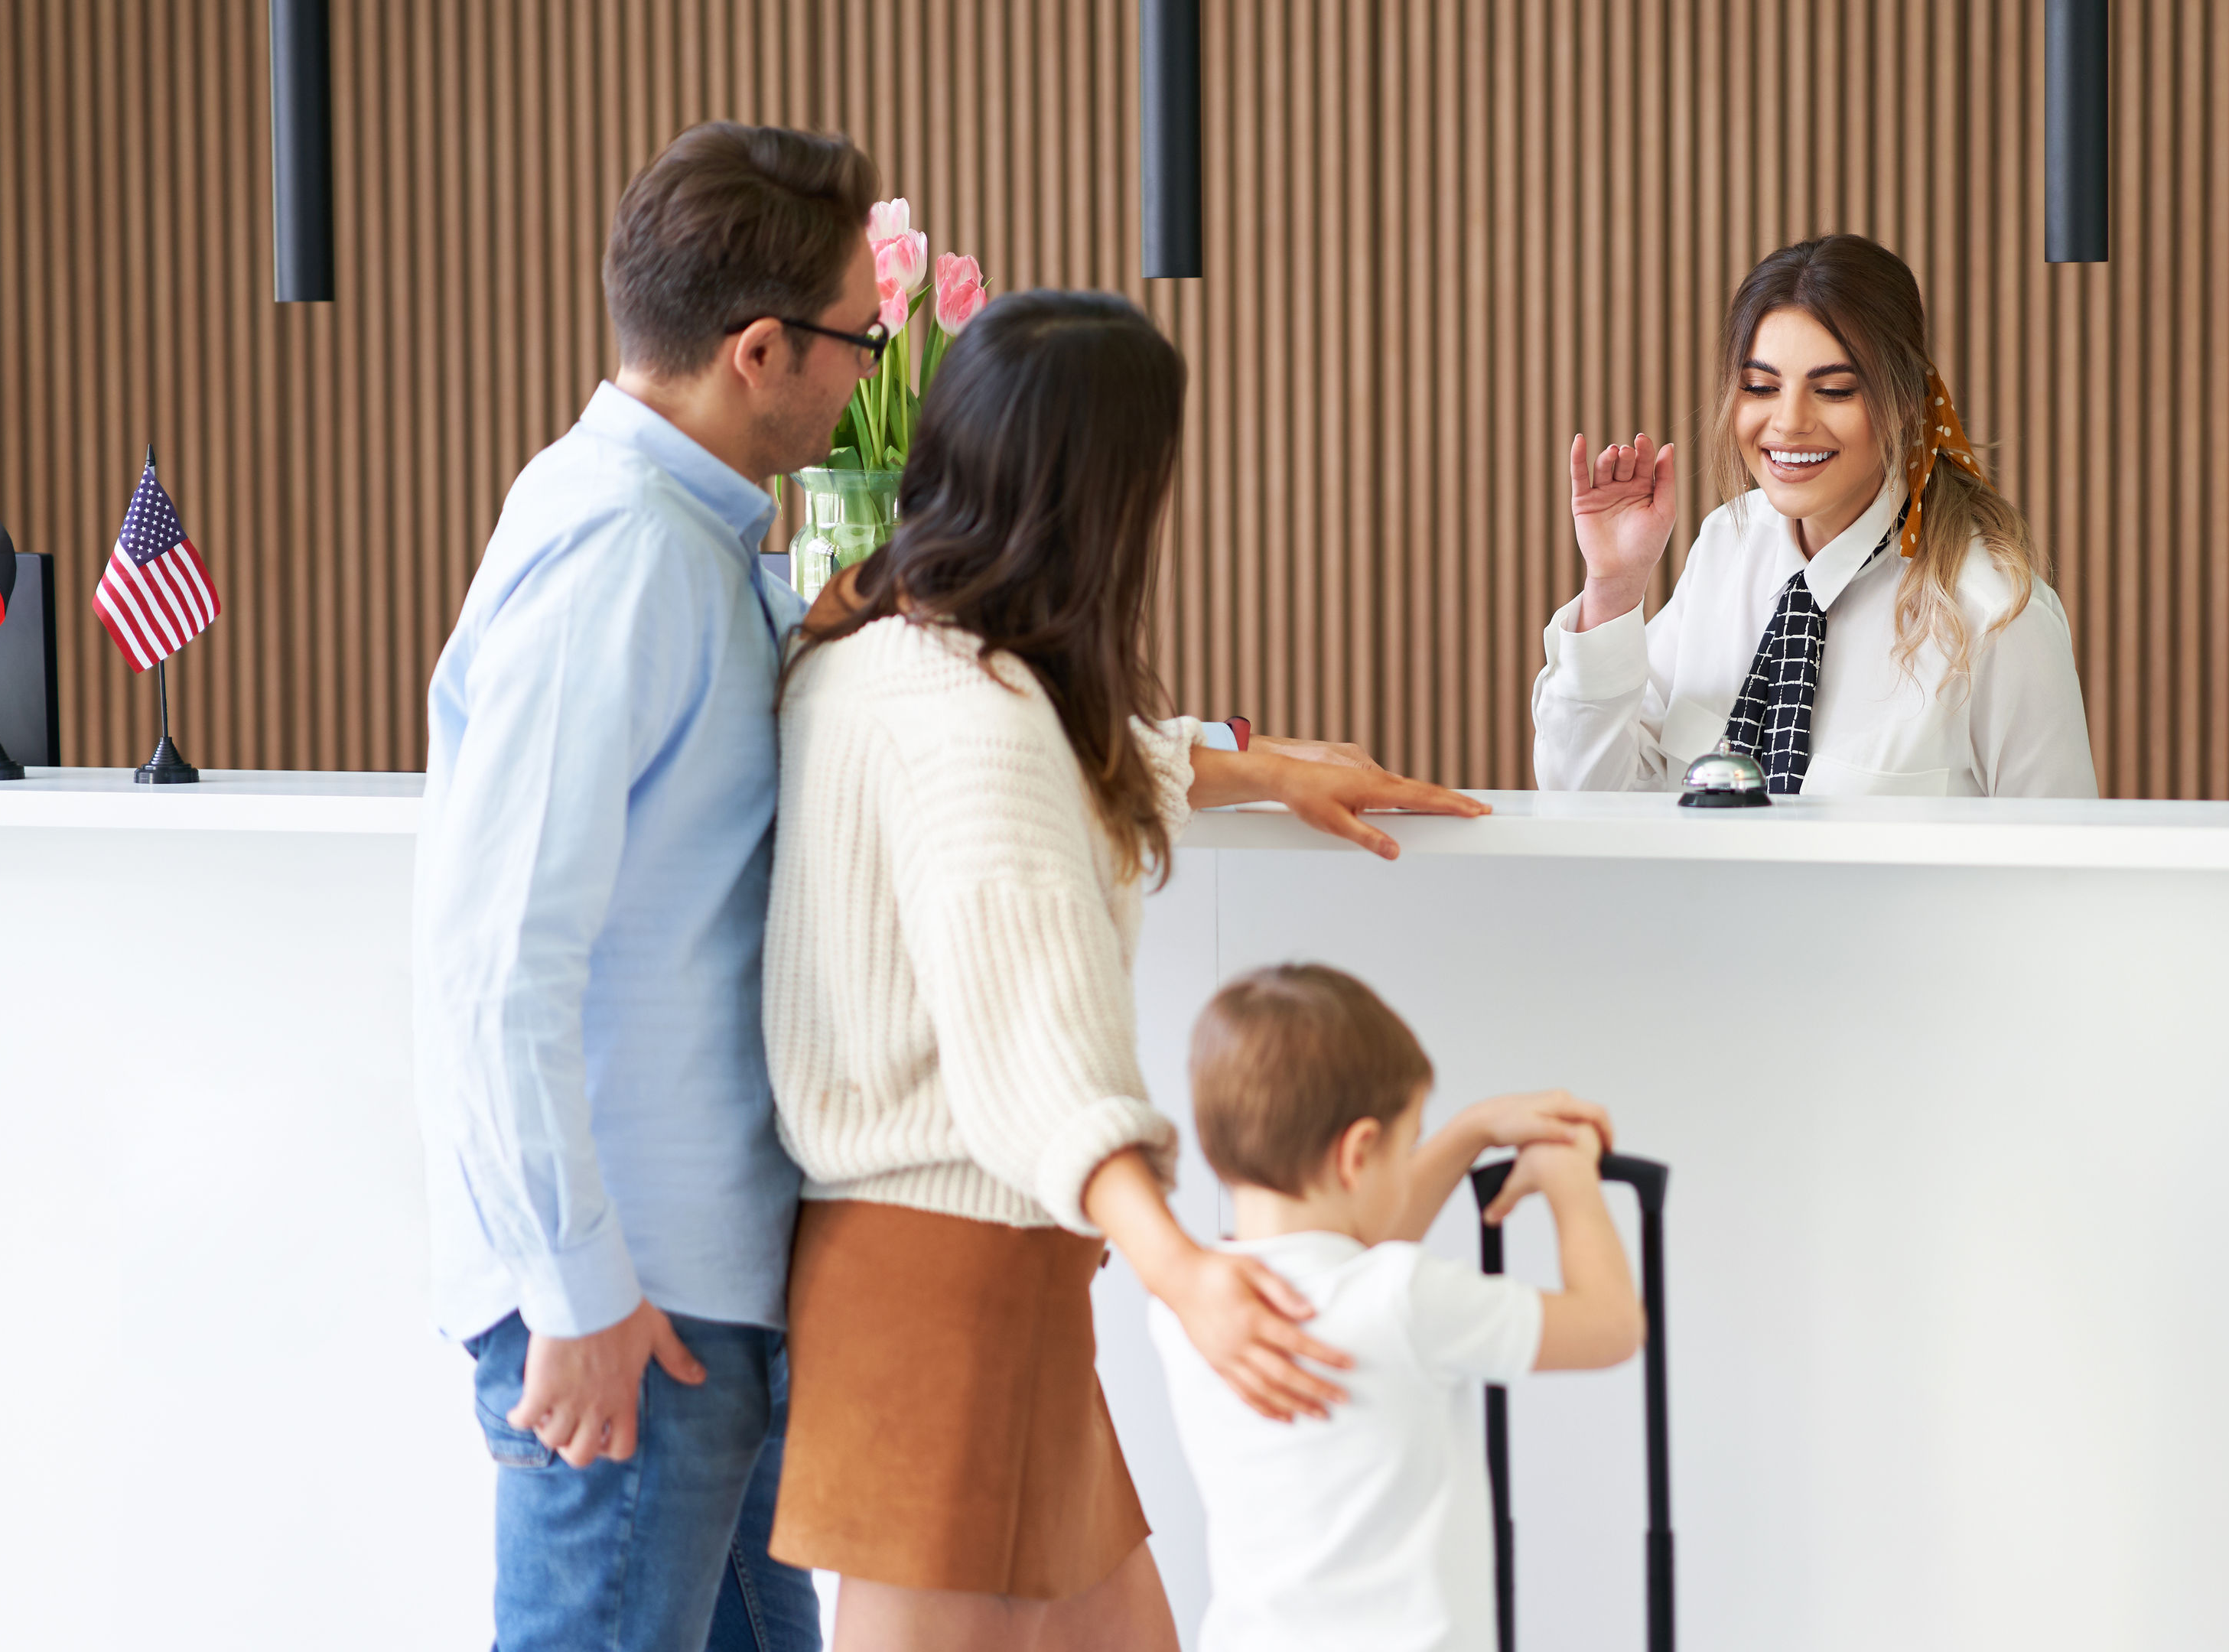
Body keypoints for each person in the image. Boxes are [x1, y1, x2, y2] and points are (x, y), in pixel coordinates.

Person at [762, 288, 1492, 1651]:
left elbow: (1063, 767)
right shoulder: (977, 724)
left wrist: (1262, 770)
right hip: (953, 1278)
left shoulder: (875, 635)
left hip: (948, 1268)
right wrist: (1185, 1269)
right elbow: (1036, 1047)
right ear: (1100, 498)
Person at [410, 121, 890, 1652]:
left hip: (693, 1307)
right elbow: (498, 962)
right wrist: (576, 1294)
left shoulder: (695, 540)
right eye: (859, 342)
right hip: (629, 1314)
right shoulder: (618, 549)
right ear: (761, 351)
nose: (867, 376)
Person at [1150, 964, 1645, 1652]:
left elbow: (1350, 1252)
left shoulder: (1190, 1309)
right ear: (1358, 1153)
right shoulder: (1405, 1297)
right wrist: (1569, 1179)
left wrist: (1475, 1130)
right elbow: (1612, 1327)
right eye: (1407, 1145)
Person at [1534, 233, 2099, 798]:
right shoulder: (1725, 547)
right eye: (1761, 387)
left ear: (1906, 401)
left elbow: (2061, 850)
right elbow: (1589, 795)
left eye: (1833, 390)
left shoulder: (1996, 616)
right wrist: (1613, 588)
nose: (1789, 422)